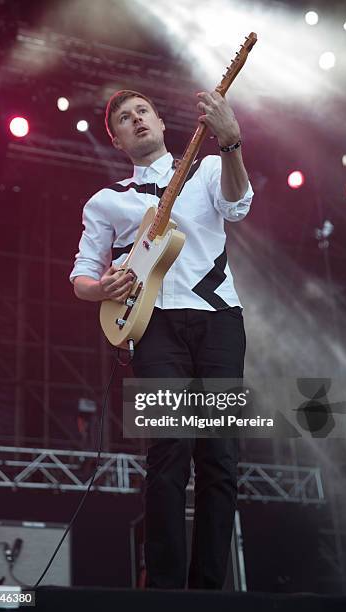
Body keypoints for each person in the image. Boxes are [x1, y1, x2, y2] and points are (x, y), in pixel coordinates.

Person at [70, 88, 254, 589]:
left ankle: (211, 586)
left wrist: (231, 142)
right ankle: (166, 589)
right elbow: (83, 275)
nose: (137, 120)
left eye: (143, 112)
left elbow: (238, 208)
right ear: (117, 138)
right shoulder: (107, 200)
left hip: (217, 319)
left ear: (159, 120)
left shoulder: (208, 170)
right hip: (152, 328)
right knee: (168, 450)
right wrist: (99, 287)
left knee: (219, 455)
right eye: (125, 119)